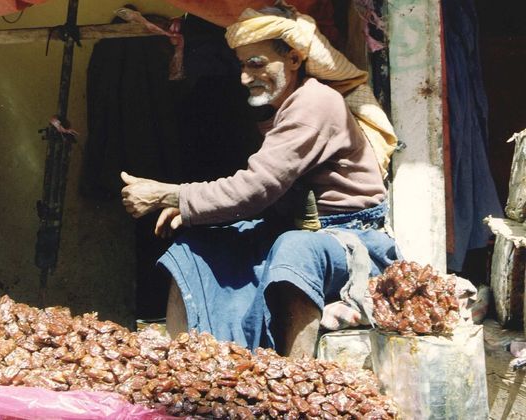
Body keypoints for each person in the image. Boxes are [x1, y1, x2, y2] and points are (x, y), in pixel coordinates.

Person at [120, 2, 400, 358]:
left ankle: (296, 378)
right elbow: (265, 193)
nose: (245, 77)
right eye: (242, 65)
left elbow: (256, 188)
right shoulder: (286, 107)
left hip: (353, 243)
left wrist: (171, 196)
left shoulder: (315, 104)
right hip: (301, 231)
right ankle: (187, 366)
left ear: (295, 59)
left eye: (257, 64)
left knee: (297, 248)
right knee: (193, 246)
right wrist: (194, 211)